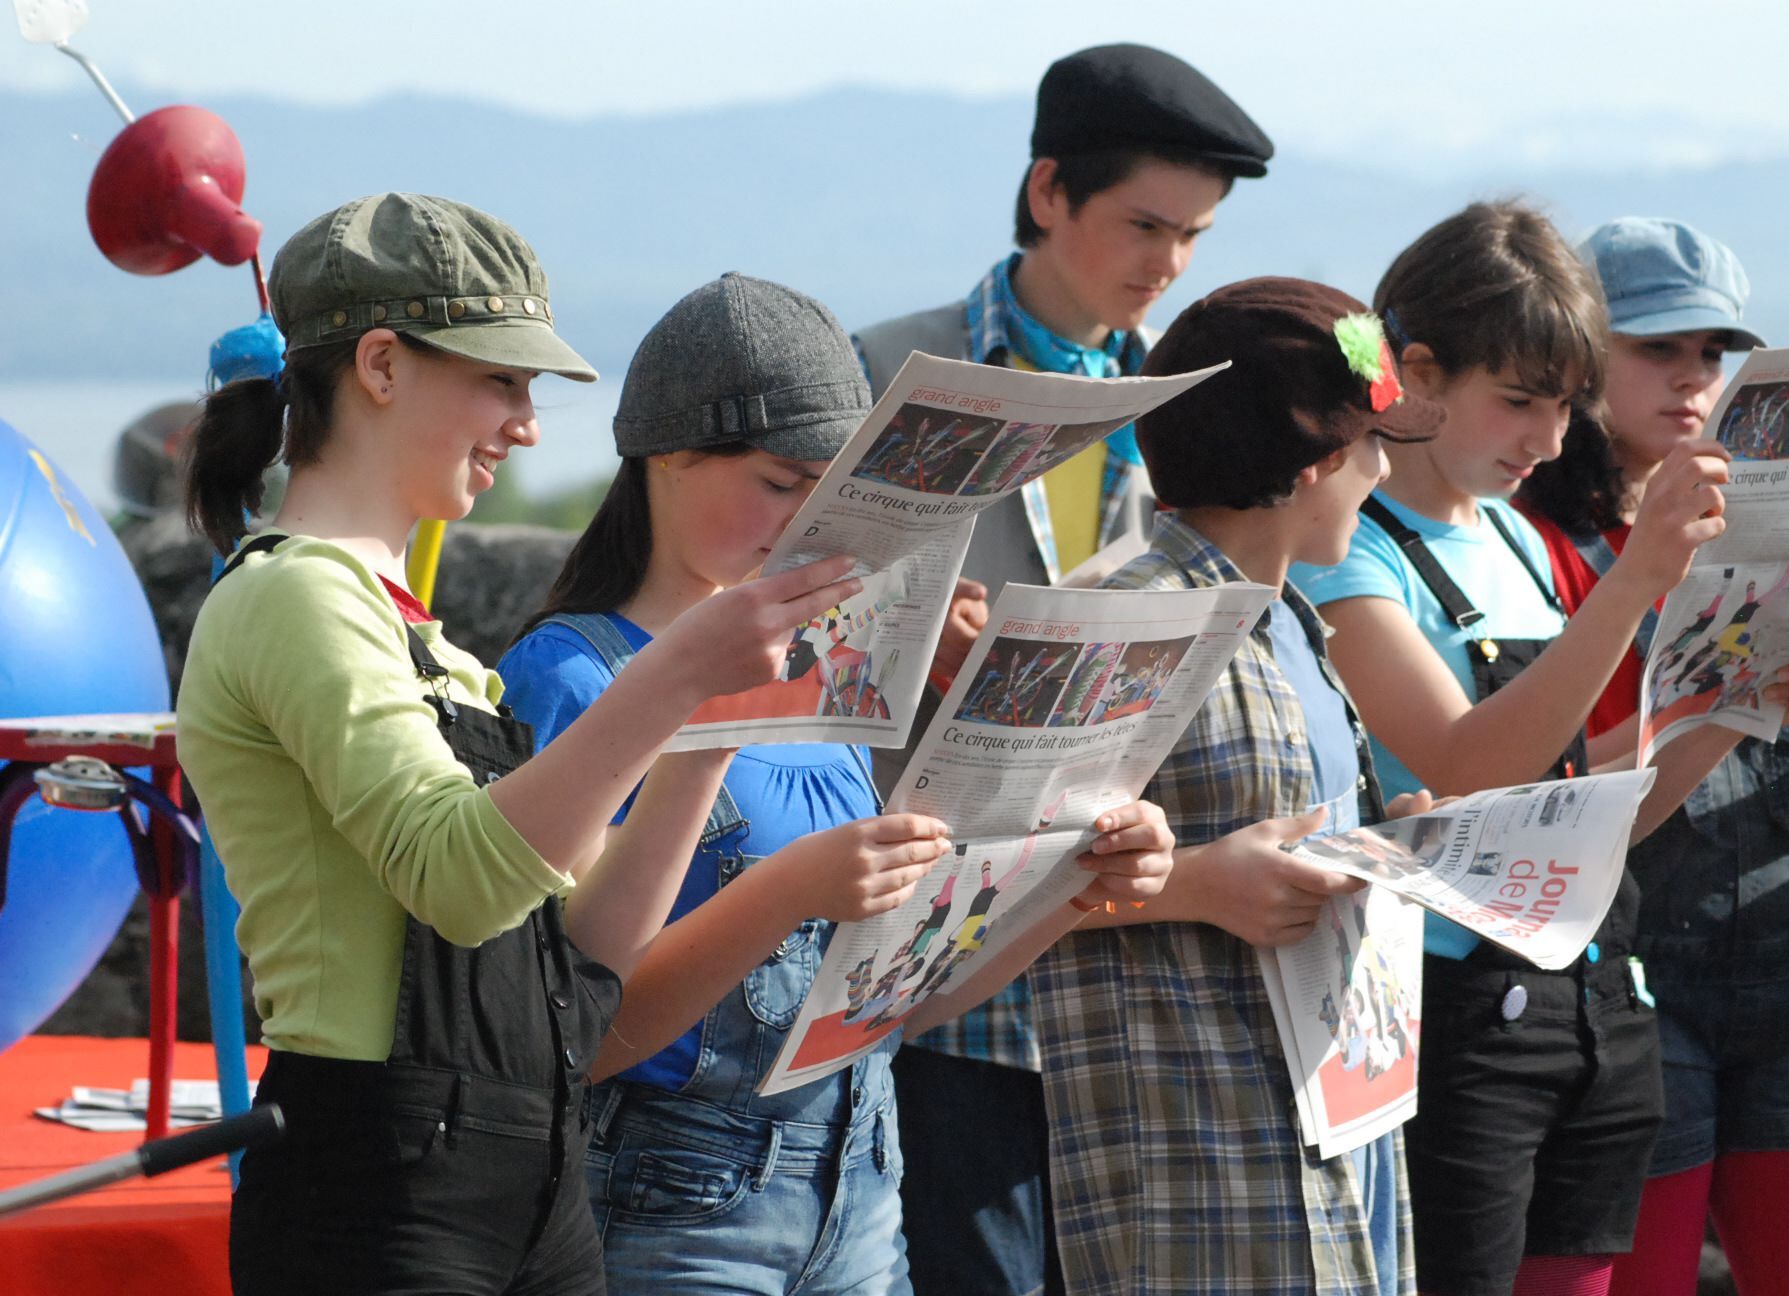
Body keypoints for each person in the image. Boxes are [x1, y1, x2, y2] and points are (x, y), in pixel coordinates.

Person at [176, 195, 870, 1295]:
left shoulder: (422, 636)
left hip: (517, 1176)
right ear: (382, 366)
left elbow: (585, 952)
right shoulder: (295, 597)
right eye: (500, 380)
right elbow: (457, 879)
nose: (529, 423)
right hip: (379, 1180)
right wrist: (677, 672)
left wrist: (708, 733)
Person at [493, 272, 1178, 1295]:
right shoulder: (575, 678)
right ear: (665, 455)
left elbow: (895, 1006)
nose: (810, 524)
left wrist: (1074, 881)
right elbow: (584, 1039)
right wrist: (795, 888)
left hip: (861, 1187)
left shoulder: (830, 677)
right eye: (781, 482)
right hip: (670, 1206)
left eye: (839, 494)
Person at [1291, 200, 1789, 1296]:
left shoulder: (1510, 536)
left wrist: (1732, 702)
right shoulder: (1354, 553)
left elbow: (1585, 802)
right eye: (1518, 403)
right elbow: (1465, 763)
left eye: (1564, 407)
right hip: (1444, 1017)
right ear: (1415, 371)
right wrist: (1637, 583)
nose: (1546, 441)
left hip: (1588, 1004)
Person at [849, 43, 1274, 1293]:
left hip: (1127, 957)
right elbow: (790, 626)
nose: (1168, 264)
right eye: (1146, 223)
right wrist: (916, 642)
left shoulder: (1187, 407)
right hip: (945, 964)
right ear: (1048, 193)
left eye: (1194, 236)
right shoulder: (890, 372)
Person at [1513, 217, 1789, 1295]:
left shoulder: (1769, 520)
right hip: (1631, 977)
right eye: (1657, 349)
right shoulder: (1534, 541)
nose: (1692, 379)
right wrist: (1720, 696)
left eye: (1712, 354)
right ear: (1579, 355)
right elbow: (1536, 783)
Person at [1029, 276, 1443, 1294]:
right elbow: (966, 881)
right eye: (1376, 450)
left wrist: (1393, 845)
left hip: (1342, 1130)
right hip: (1196, 1172)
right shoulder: (1120, 625)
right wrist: (1198, 883)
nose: (1381, 478)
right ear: (1321, 464)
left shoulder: (1293, 615)